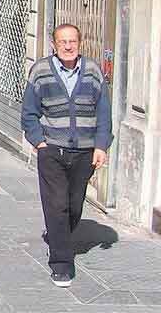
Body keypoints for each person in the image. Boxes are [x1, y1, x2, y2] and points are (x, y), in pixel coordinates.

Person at [21, 23, 113, 289]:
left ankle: (56, 234)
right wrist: (39, 142)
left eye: (73, 41)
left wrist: (101, 146)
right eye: (63, 42)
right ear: (54, 44)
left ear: (80, 43)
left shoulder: (93, 71)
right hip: (52, 150)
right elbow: (29, 111)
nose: (68, 46)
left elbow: (104, 113)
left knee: (74, 206)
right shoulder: (40, 71)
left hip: (84, 152)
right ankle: (61, 263)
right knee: (56, 205)